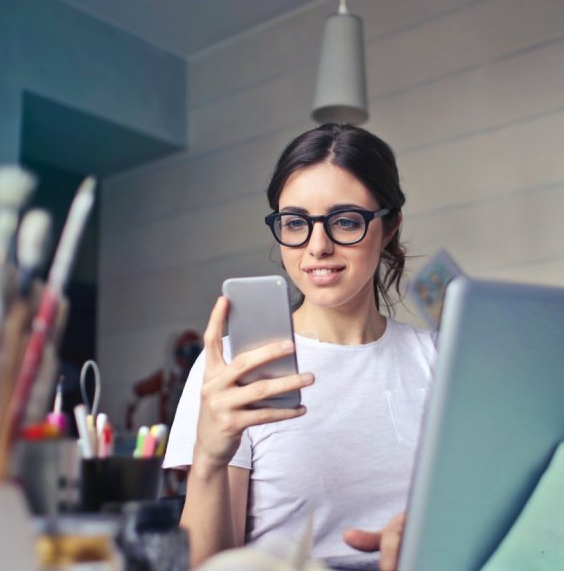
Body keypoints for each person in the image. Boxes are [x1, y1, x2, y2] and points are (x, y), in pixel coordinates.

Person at [164, 123, 437, 570]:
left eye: (345, 221)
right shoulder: (235, 368)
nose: (318, 246)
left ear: (389, 227)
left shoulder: (439, 360)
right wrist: (210, 457)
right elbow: (207, 566)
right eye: (295, 223)